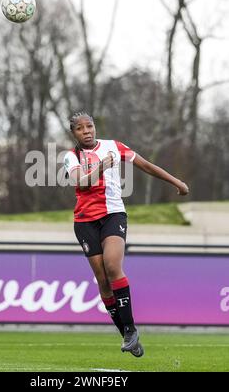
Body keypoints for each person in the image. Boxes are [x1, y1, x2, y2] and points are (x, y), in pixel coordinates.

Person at [64, 112, 189, 358]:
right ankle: (127, 335)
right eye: (80, 128)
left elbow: (146, 165)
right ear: (74, 133)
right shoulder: (71, 157)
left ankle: (131, 330)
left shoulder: (113, 147)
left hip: (113, 215)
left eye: (90, 126)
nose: (87, 131)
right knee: (102, 281)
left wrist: (177, 182)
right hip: (85, 222)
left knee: (112, 266)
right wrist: (101, 166)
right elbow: (83, 183)